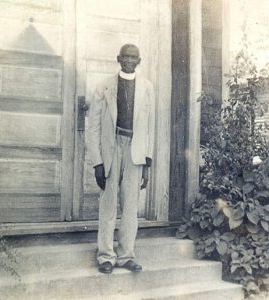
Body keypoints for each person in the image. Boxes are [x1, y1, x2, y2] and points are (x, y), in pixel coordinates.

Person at [88, 44, 155, 274]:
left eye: (133, 57)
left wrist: (147, 162)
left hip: (134, 151)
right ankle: (106, 256)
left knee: (130, 206)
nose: (128, 60)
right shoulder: (104, 86)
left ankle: (126, 255)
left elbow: (149, 128)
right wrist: (97, 162)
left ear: (139, 60)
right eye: (125, 56)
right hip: (111, 149)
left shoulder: (146, 87)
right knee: (108, 204)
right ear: (118, 58)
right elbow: (94, 127)